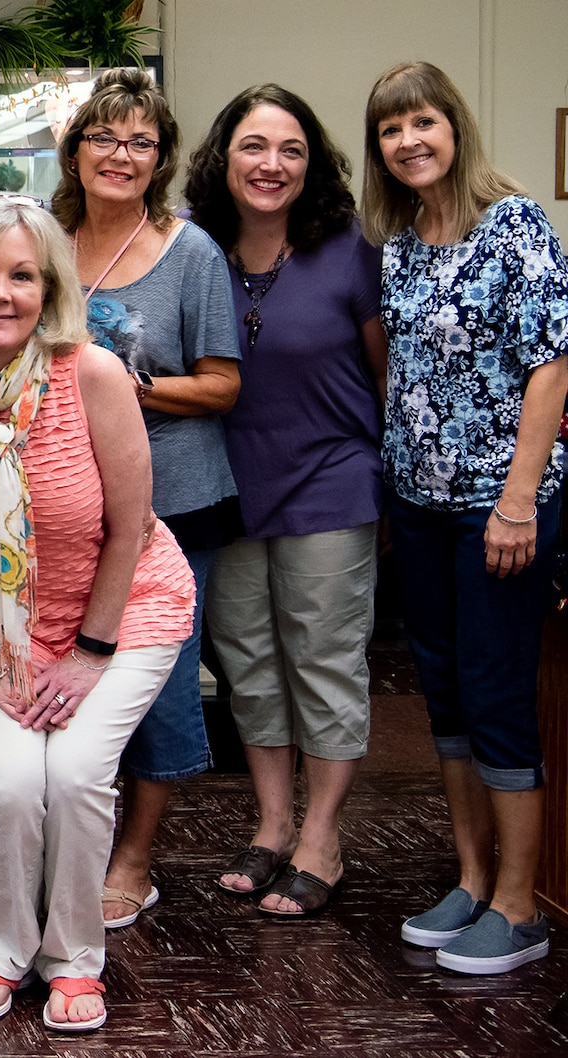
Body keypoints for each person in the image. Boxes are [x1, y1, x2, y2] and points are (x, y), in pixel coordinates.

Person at [0, 199, 194, 1033]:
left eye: (23, 275)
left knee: (77, 774)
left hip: (125, 613)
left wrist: (91, 653)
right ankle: (5, 951)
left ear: (48, 288)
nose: (1, 292)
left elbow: (131, 526)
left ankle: (73, 961)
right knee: (14, 784)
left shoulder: (90, 374)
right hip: (3, 628)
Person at [364, 61, 568, 975]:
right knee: (442, 697)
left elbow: (552, 365)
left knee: (495, 698)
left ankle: (521, 908)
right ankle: (474, 881)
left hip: (500, 506)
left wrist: (518, 501)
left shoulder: (514, 223)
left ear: (455, 126)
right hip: (419, 503)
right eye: (390, 128)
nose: (408, 140)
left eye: (423, 121)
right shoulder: (400, 239)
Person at [184, 85, 386, 917]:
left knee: (325, 663)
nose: (272, 165)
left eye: (292, 149)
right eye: (255, 147)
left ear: (314, 164)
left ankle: (323, 837)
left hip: (331, 484)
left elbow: (385, 373)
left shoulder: (350, 248)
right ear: (223, 159)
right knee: (250, 670)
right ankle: (272, 827)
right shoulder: (194, 249)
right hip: (229, 487)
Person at [53, 68, 240, 930]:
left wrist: (125, 388)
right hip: (63, 509)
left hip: (174, 503)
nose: (120, 155)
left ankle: (135, 859)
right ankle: (77, 845)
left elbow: (222, 387)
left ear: (159, 159)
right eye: (104, 137)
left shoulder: (190, 252)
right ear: (75, 148)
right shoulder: (46, 238)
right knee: (74, 681)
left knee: (157, 688)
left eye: (139, 142)